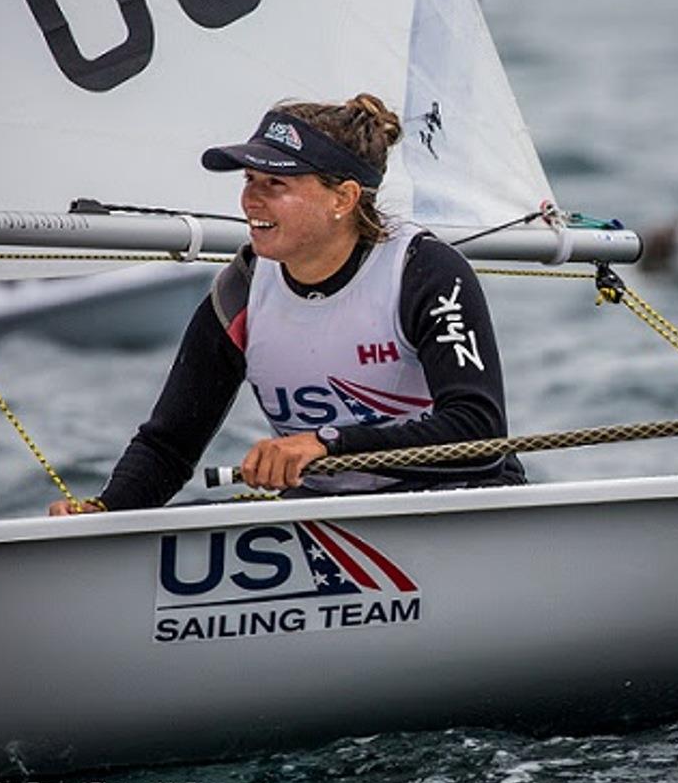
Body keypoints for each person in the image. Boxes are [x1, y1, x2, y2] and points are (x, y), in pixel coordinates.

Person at [49, 94, 524, 515]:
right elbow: (170, 444)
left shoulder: (424, 273)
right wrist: (105, 510)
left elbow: (478, 436)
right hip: (327, 517)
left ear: (344, 197)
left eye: (274, 184)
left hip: (456, 504)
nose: (249, 200)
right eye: (249, 179)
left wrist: (326, 443)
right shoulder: (242, 289)